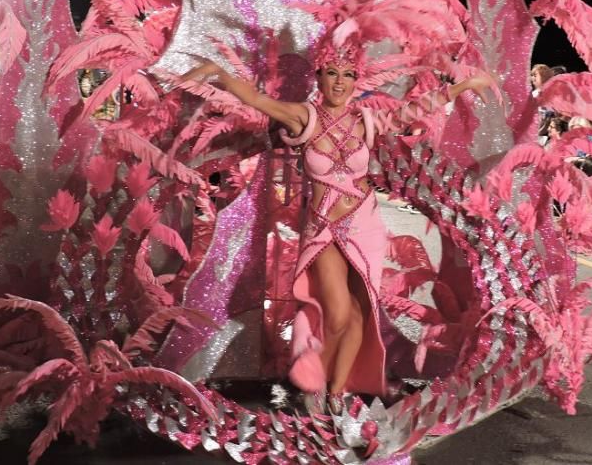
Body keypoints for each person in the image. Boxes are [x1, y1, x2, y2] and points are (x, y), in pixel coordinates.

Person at [183, 54, 494, 415]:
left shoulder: (366, 120)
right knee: (337, 314)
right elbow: (256, 100)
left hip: (365, 224)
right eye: (333, 73)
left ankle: (335, 392)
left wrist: (463, 85)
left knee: (362, 314)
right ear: (320, 76)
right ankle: (312, 373)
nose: (340, 82)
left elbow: (415, 110)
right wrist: (219, 73)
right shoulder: (305, 117)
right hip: (323, 229)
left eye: (348, 75)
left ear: (356, 81)